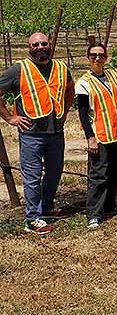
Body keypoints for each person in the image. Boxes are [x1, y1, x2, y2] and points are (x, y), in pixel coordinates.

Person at [0, 32, 74, 234]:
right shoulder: (19, 69)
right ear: (29, 47)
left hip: (56, 131)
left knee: (54, 172)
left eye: (43, 43)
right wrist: (9, 118)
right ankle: (32, 218)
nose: (40, 47)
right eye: (36, 44)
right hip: (31, 133)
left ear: (49, 45)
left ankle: (47, 207)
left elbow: (69, 89)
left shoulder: (61, 68)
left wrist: (65, 111)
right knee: (32, 176)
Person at [75, 44, 117, 228]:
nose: (97, 59)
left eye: (101, 55)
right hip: (100, 135)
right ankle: (93, 213)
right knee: (99, 175)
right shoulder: (84, 83)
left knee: (113, 171)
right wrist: (90, 137)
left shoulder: (113, 76)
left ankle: (109, 206)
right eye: (93, 55)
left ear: (105, 58)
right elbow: (83, 113)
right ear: (87, 57)